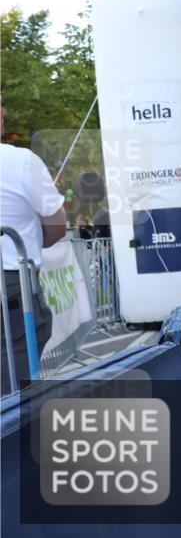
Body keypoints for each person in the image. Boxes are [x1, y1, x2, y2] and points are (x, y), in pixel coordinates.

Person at [1, 96, 64, 395]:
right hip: (13, 288)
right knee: (15, 391)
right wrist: (34, 241)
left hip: (14, 288)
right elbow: (57, 226)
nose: (3, 111)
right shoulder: (20, 161)